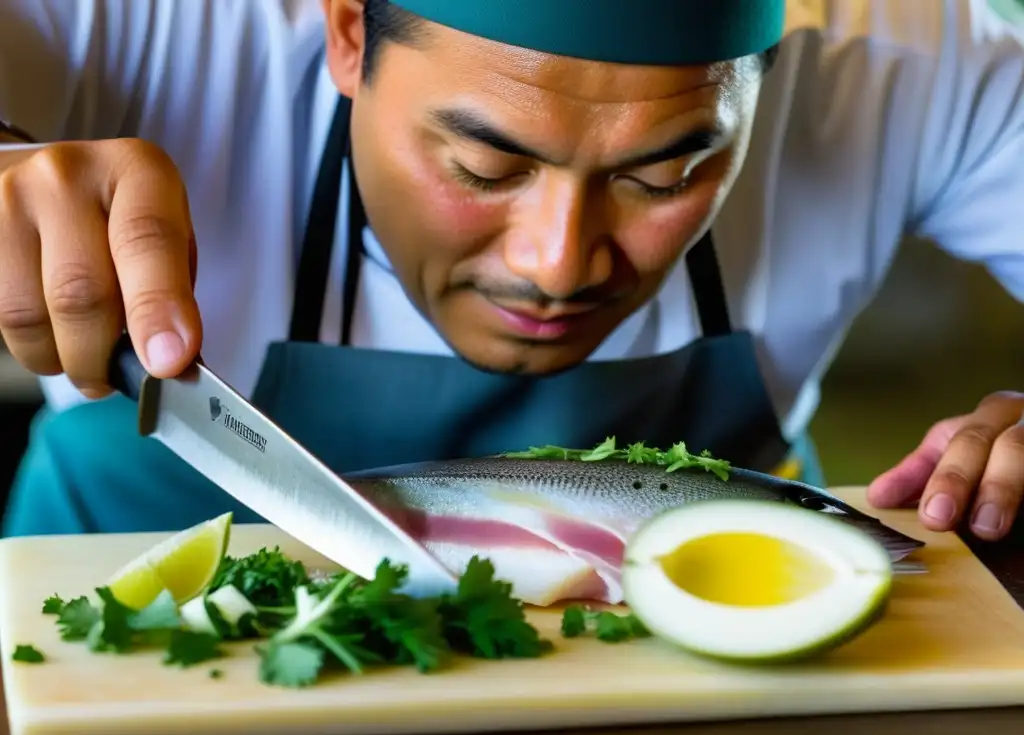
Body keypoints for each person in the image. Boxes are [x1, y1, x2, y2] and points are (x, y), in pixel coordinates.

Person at [0, 0, 1021, 544]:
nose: (557, 264)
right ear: (350, 32)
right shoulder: (153, 21)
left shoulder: (905, 59)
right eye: (485, 167)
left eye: (665, 173)